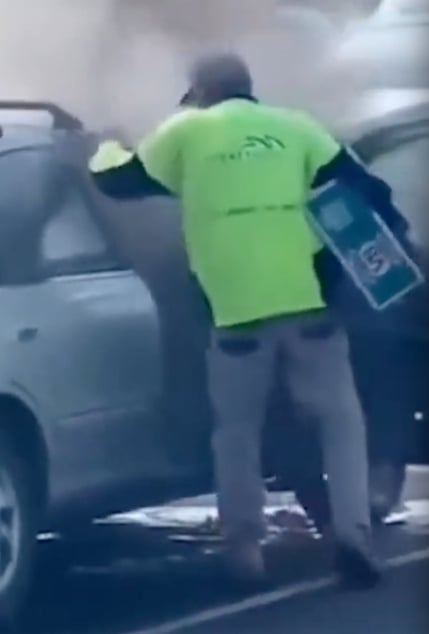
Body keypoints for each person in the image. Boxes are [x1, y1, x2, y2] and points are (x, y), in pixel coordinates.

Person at [88, 52, 410, 589]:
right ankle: (353, 536)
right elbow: (367, 188)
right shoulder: (296, 126)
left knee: (237, 432)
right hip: (308, 305)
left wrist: (108, 141)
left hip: (234, 313)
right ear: (249, 86)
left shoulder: (186, 131)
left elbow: (118, 180)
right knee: (341, 423)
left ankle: (244, 549)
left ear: (197, 90)